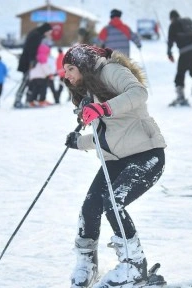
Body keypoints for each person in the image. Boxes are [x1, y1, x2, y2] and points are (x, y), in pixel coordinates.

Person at [62, 44, 166, 288]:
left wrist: (104, 107)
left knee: (113, 202)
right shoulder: (88, 89)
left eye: (70, 68)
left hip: (146, 154)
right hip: (116, 160)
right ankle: (87, 263)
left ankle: (134, 266)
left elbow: (139, 93)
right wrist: (80, 142)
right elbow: (108, 136)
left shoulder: (110, 71)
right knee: (90, 207)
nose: (66, 75)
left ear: (84, 65)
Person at [14, 23, 52, 108]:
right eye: (48, 32)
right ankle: (18, 100)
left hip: (29, 62)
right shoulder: (36, 35)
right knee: (25, 82)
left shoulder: (36, 34)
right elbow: (31, 49)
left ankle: (28, 100)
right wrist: (32, 60)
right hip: (28, 63)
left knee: (29, 82)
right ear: (45, 30)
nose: (48, 34)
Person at [27, 39, 55, 107]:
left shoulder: (35, 57)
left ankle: (31, 101)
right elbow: (44, 67)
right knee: (43, 89)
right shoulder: (42, 57)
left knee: (35, 89)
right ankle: (42, 100)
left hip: (33, 77)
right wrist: (49, 74)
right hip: (41, 77)